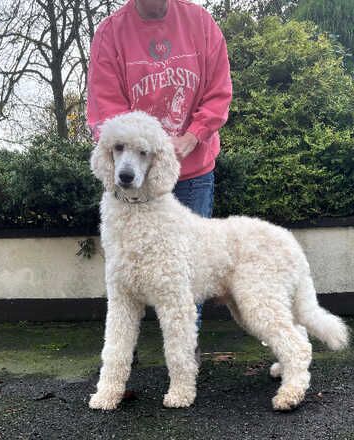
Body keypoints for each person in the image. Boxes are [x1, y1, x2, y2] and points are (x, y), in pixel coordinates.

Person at [86, 0, 232, 337]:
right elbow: (107, 113)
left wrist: (193, 136)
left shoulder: (200, 23)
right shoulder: (111, 33)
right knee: (124, 271)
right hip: (132, 179)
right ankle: (122, 357)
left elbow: (219, 92)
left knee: (187, 274)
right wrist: (139, 155)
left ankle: (185, 364)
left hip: (193, 173)